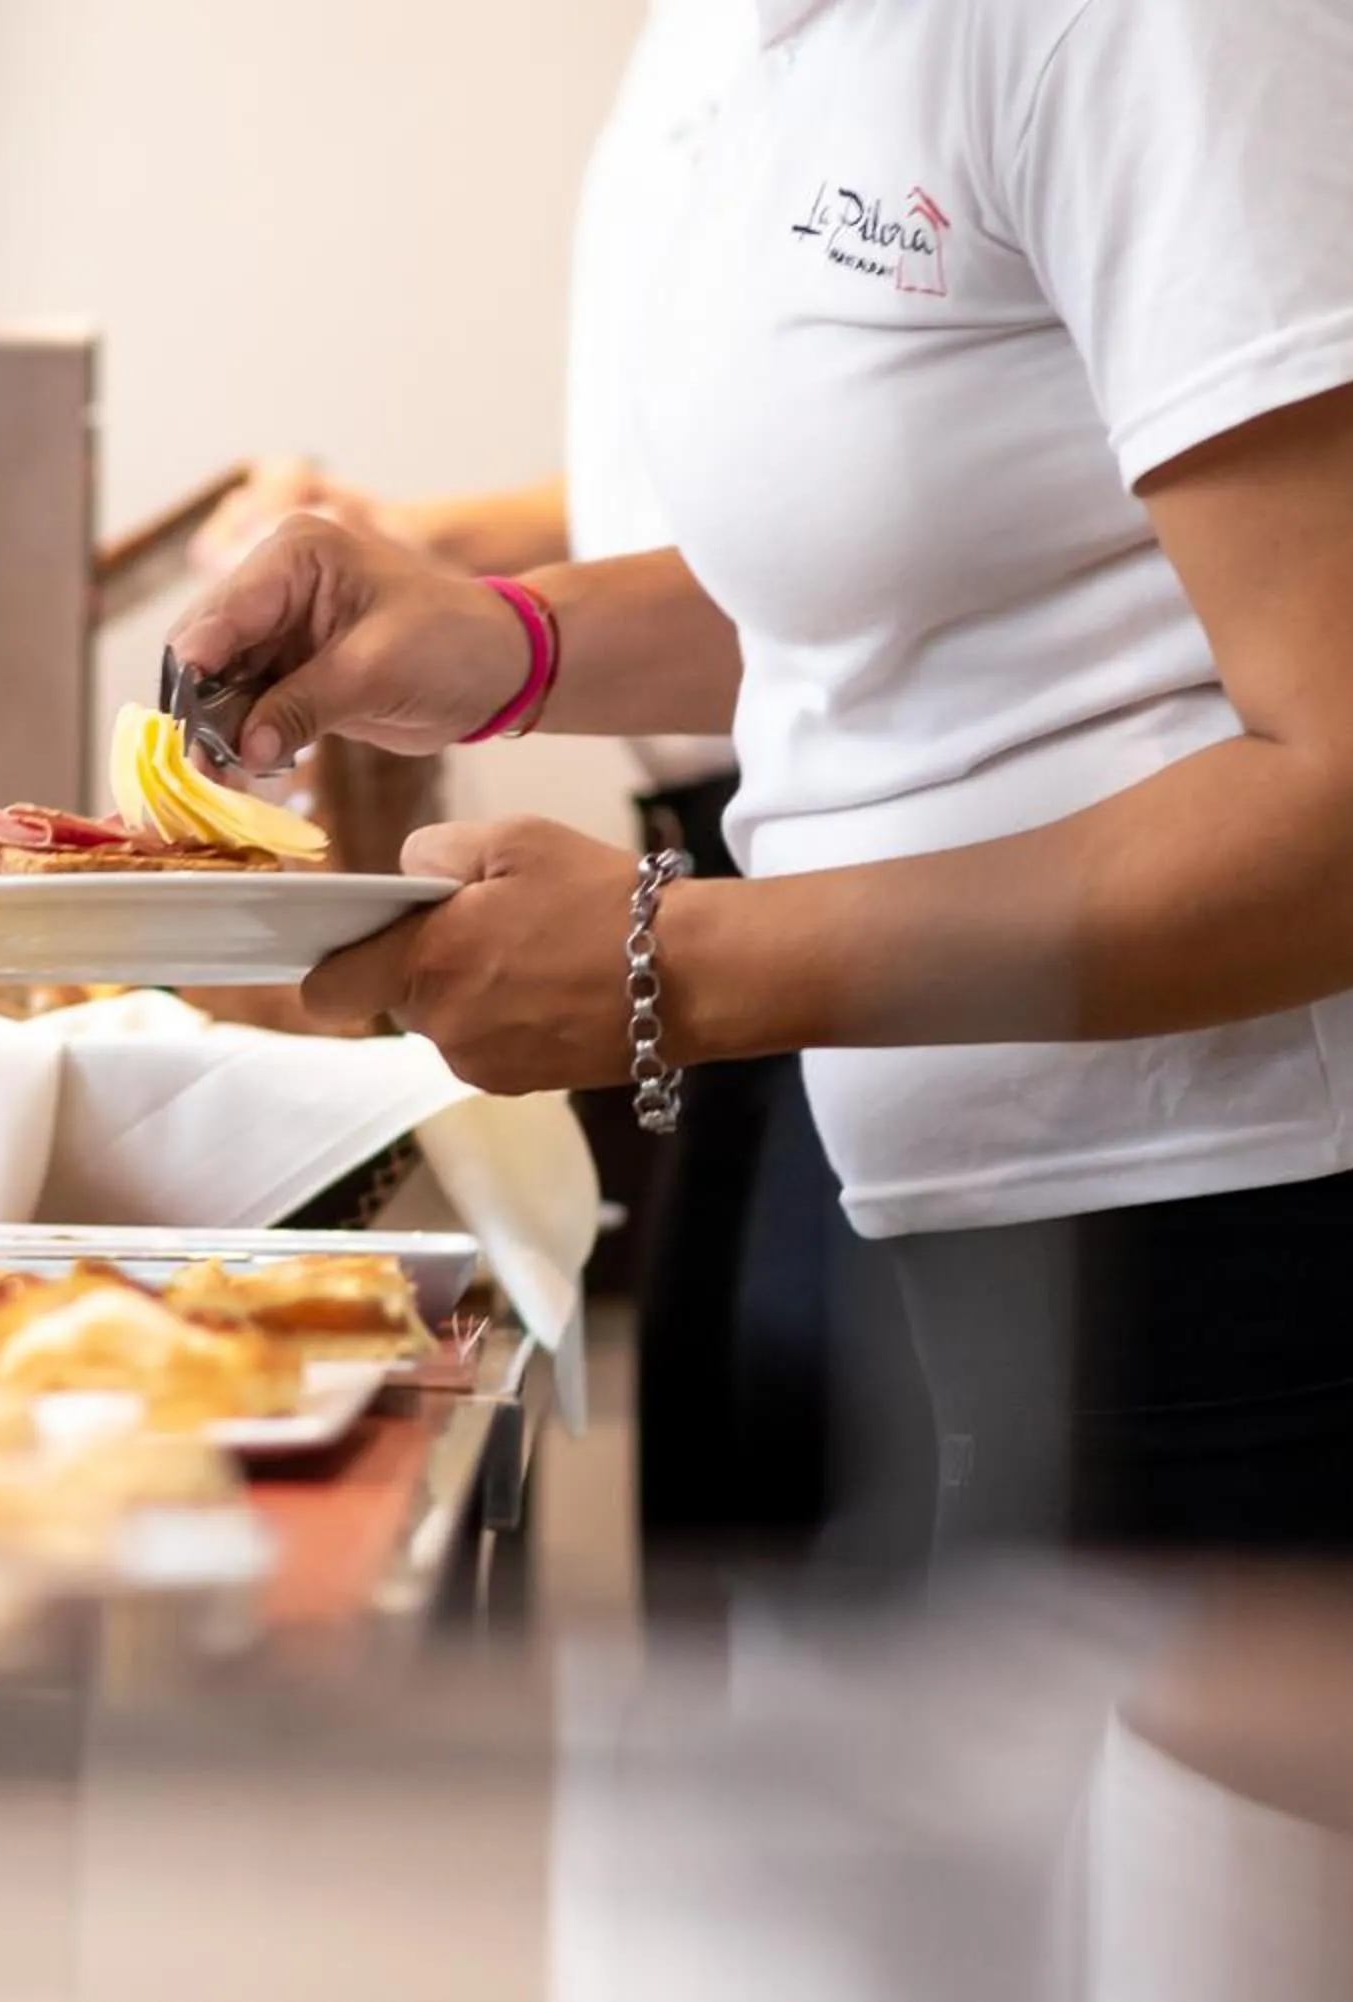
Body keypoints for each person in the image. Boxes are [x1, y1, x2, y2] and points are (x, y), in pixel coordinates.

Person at [169, 0, 1353, 1605]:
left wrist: (667, 966)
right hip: (1048, 1206)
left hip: (1317, 1210)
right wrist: (507, 640)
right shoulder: (804, 38)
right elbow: (951, 567)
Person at [191, 0, 897, 1554]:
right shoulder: (719, 38)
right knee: (734, 1598)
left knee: (821, 1635)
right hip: (775, 901)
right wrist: (462, 589)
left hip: (924, 943)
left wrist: (675, 955)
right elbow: (815, 498)